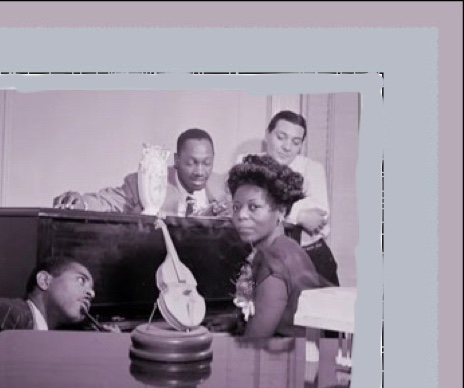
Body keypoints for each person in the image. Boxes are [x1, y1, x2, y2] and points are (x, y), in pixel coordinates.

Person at [228, 154, 333, 338]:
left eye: (253, 207)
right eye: (236, 207)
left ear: (281, 211)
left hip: (286, 362)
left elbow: (253, 344)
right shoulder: (287, 247)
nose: (241, 215)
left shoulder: (274, 261)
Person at [53, 129, 231, 217]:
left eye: (207, 163)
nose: (200, 171)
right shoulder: (150, 180)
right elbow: (108, 201)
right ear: (176, 160)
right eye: (191, 163)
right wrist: (80, 202)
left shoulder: (226, 189)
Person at [252, 111, 339, 286]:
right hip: (265, 255)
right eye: (281, 137)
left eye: (295, 142)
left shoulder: (313, 168)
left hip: (312, 255)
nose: (287, 147)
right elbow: (248, 208)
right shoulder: (250, 164)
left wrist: (271, 207)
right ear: (267, 135)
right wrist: (299, 215)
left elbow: (318, 217)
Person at [0, 257, 96, 335]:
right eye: (81, 280)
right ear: (44, 281)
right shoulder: (6, 313)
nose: (92, 294)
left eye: (92, 289)